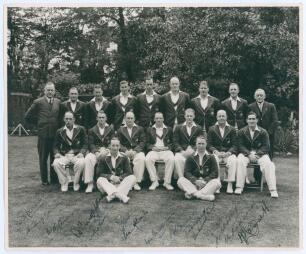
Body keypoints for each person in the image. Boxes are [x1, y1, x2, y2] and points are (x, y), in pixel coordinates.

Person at [24, 81, 61, 185]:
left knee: (54, 158)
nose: (50, 92)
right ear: (44, 91)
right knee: (43, 158)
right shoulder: (38, 102)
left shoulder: (58, 102)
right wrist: (39, 123)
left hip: (54, 135)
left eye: (52, 90)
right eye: (48, 90)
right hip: (43, 135)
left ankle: (54, 180)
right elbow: (27, 116)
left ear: (54, 91)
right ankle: (44, 180)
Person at [235, 111, 278, 198]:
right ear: (247, 120)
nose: (251, 121)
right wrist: (248, 154)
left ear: (257, 120)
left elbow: (266, 146)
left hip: (260, 154)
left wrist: (257, 154)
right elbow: (240, 145)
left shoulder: (263, 132)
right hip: (245, 154)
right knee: (239, 160)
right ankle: (239, 187)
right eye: (250, 119)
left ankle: (273, 189)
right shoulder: (241, 132)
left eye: (253, 119)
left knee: (269, 164)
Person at [177, 135, 221, 201]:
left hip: (206, 184)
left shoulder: (211, 157)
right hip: (193, 184)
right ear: (196, 144)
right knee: (180, 180)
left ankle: (193, 194)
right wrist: (195, 181)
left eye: (203, 144)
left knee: (217, 182)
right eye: (199, 143)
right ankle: (202, 196)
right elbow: (186, 172)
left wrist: (205, 180)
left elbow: (215, 173)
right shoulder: (190, 157)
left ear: (206, 144)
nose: (201, 146)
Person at [52, 111, 87, 192]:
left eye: (70, 119)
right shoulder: (59, 131)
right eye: (66, 119)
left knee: (81, 163)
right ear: (64, 119)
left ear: (74, 119)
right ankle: (64, 183)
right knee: (56, 163)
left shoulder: (81, 129)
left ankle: (76, 182)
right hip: (65, 155)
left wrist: (82, 152)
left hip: (77, 154)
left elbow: (85, 144)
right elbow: (55, 146)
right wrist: (56, 153)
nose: (68, 121)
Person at [96, 137, 137, 203]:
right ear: (109, 146)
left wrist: (119, 178)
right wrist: (111, 177)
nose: (115, 148)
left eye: (117, 146)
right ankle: (121, 195)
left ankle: (112, 195)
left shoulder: (124, 157)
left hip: (120, 183)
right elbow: (99, 173)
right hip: (108, 184)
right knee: (100, 180)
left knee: (133, 178)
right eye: (113, 145)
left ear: (120, 146)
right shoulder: (103, 157)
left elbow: (129, 172)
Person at [207, 110, 238, 194]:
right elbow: (209, 145)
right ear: (216, 117)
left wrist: (228, 152)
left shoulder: (232, 129)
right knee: (214, 159)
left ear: (226, 117)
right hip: (217, 153)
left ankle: (230, 184)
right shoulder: (211, 129)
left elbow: (235, 145)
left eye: (223, 116)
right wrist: (216, 151)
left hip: (227, 153)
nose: (221, 118)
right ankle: (217, 185)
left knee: (233, 159)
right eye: (219, 116)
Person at [84, 110, 115, 193]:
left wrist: (107, 150)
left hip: (107, 150)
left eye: (103, 117)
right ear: (96, 118)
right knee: (88, 158)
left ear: (106, 119)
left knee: (112, 157)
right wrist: (96, 152)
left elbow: (113, 141)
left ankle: (111, 181)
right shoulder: (91, 130)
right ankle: (90, 183)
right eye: (99, 117)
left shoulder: (110, 129)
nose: (101, 119)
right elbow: (90, 144)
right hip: (96, 151)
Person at [145, 112, 175, 190]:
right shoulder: (149, 129)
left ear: (163, 119)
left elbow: (173, 143)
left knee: (171, 159)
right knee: (148, 159)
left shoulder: (169, 129)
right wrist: (152, 147)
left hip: (165, 150)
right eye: (157, 118)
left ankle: (167, 182)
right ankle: (154, 181)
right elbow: (147, 143)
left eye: (160, 118)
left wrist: (167, 147)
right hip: (154, 150)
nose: (159, 120)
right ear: (154, 119)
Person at [117, 111, 146, 191]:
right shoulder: (120, 129)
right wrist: (125, 150)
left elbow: (142, 142)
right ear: (125, 119)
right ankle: (125, 181)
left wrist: (135, 151)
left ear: (134, 119)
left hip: (136, 151)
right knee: (121, 158)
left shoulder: (140, 129)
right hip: (125, 151)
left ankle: (136, 182)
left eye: (131, 118)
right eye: (128, 118)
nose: (129, 120)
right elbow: (118, 143)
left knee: (141, 158)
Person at [173, 108, 203, 178]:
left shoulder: (198, 128)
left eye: (191, 116)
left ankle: (194, 178)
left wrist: (193, 149)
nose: (189, 118)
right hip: (182, 150)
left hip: (194, 150)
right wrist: (182, 151)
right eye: (187, 116)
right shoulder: (178, 127)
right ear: (185, 116)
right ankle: (181, 179)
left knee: (198, 158)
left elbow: (201, 141)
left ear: (194, 116)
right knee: (177, 158)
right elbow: (175, 141)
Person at [248, 88, 278, 158]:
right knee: (257, 153)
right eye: (257, 95)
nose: (259, 97)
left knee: (269, 153)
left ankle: (269, 168)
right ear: (255, 97)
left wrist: (268, 132)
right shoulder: (250, 106)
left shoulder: (271, 106)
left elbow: (275, 121)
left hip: (269, 134)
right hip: (256, 135)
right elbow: (249, 121)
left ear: (264, 96)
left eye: (261, 95)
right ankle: (257, 169)